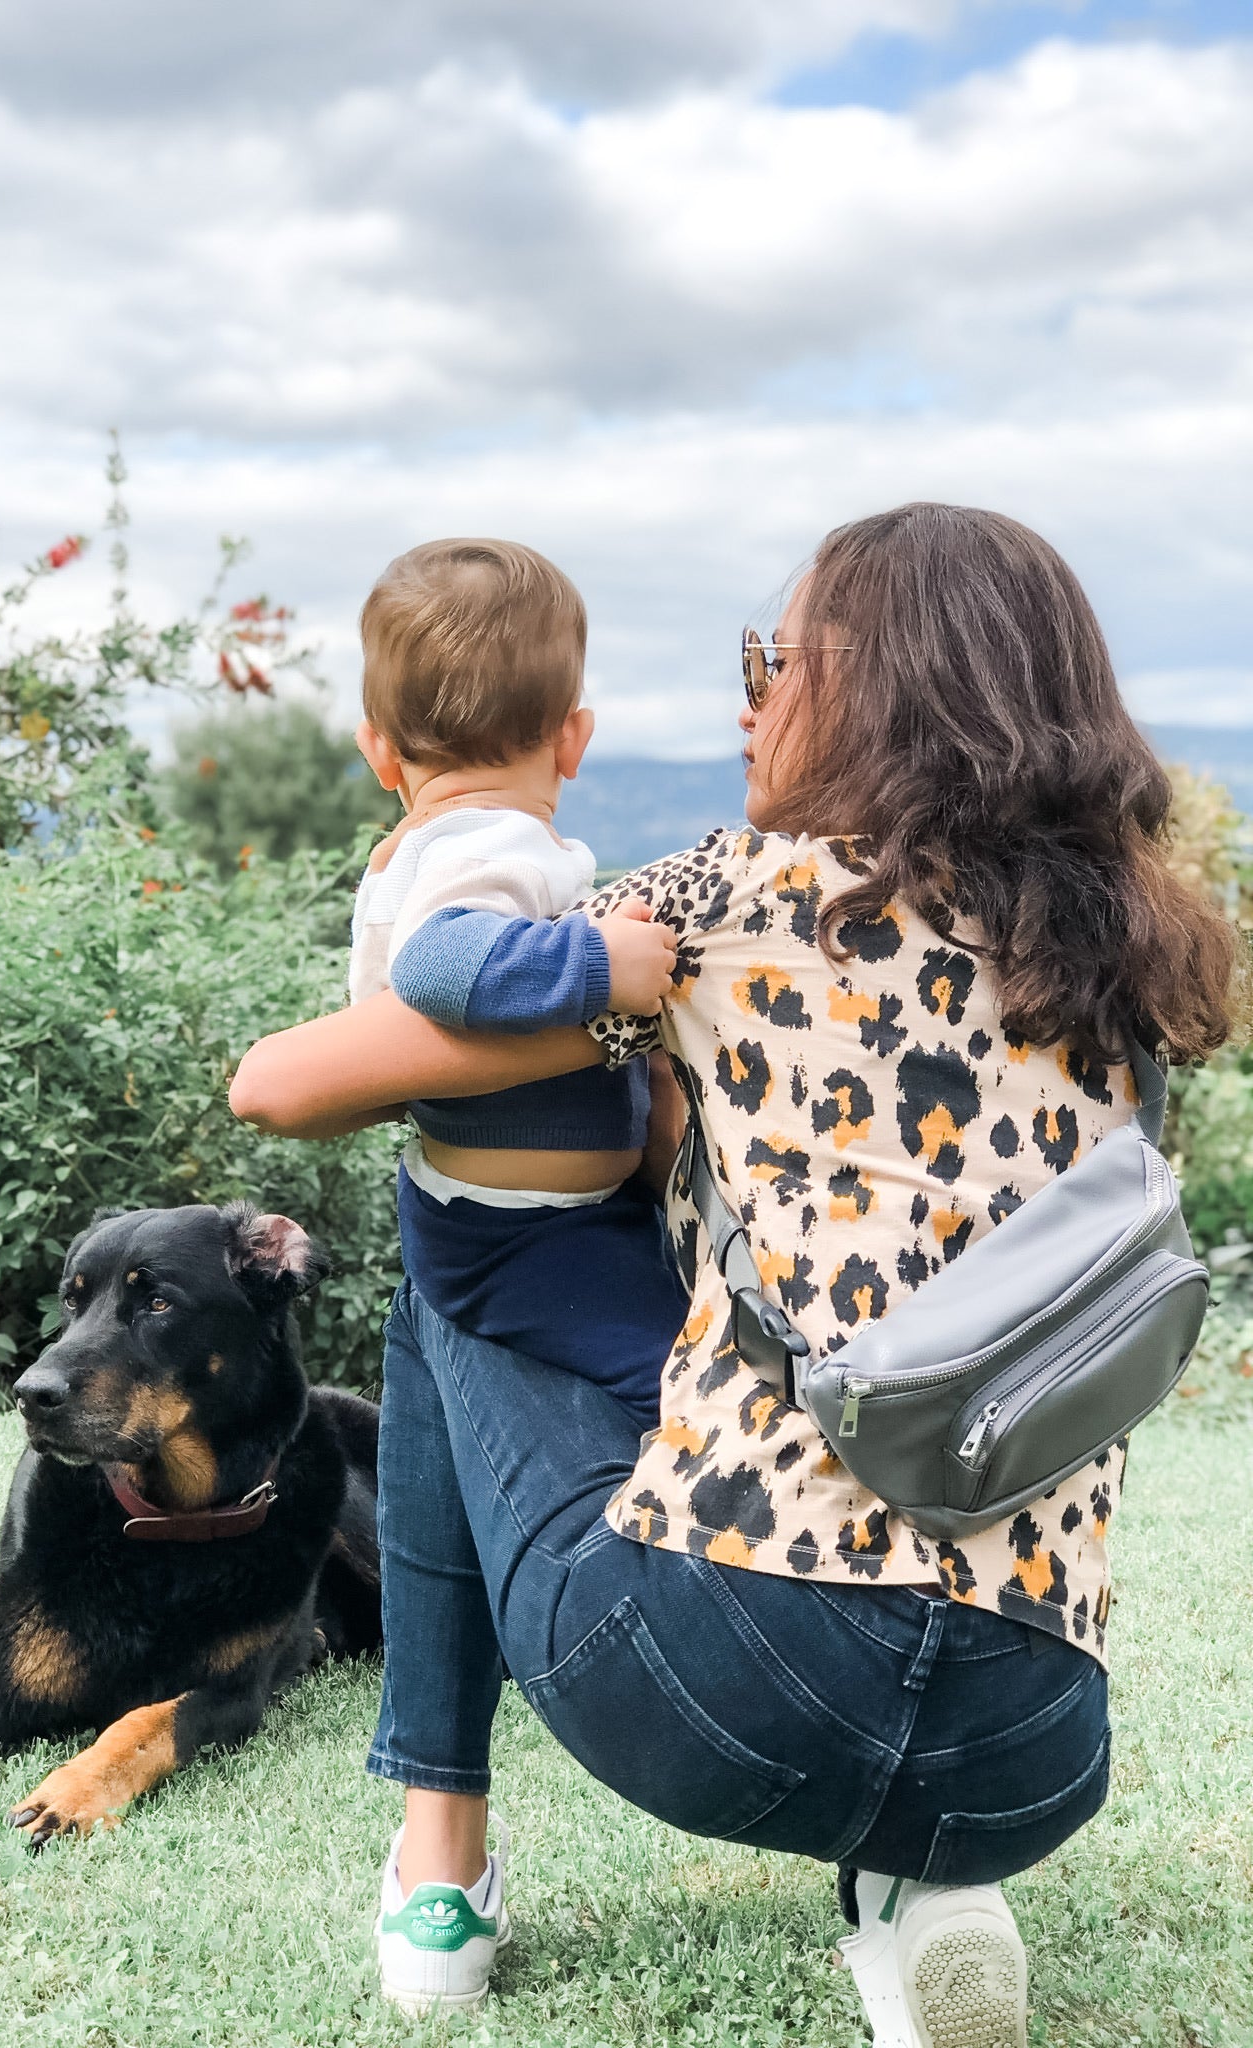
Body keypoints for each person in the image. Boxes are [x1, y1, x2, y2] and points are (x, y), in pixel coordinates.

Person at [231, 503, 1244, 2048]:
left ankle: (438, 1852)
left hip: (720, 1678)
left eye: (778, 659)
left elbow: (288, 1083)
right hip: (1039, 1739)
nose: (748, 697)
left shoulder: (735, 900)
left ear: (883, 689)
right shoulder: (1129, 973)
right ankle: (919, 1880)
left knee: (458, 1233)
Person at [340, 537, 692, 2010]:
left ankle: (442, 1854)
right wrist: (609, 977)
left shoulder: (440, 830)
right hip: (519, 1243)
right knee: (702, 1380)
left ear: (375, 748)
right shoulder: (481, 848)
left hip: (510, 1222)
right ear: (575, 738)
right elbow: (443, 975)